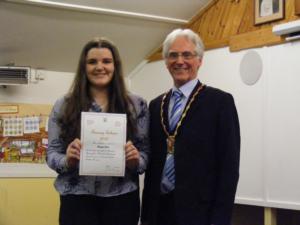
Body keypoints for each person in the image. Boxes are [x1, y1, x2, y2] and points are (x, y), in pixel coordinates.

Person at [141, 29, 240, 225]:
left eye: (187, 55)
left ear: (199, 60)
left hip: (200, 213)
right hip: (158, 211)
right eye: (173, 55)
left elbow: (229, 168)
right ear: (166, 62)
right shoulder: (155, 105)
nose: (180, 61)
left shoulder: (220, 102)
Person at [47, 37, 150, 225]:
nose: (99, 67)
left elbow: (145, 154)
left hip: (122, 199)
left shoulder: (137, 105)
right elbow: (52, 154)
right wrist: (67, 159)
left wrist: (136, 159)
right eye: (92, 62)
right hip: (77, 199)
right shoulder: (64, 105)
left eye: (106, 61)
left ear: (115, 66)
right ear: (83, 67)